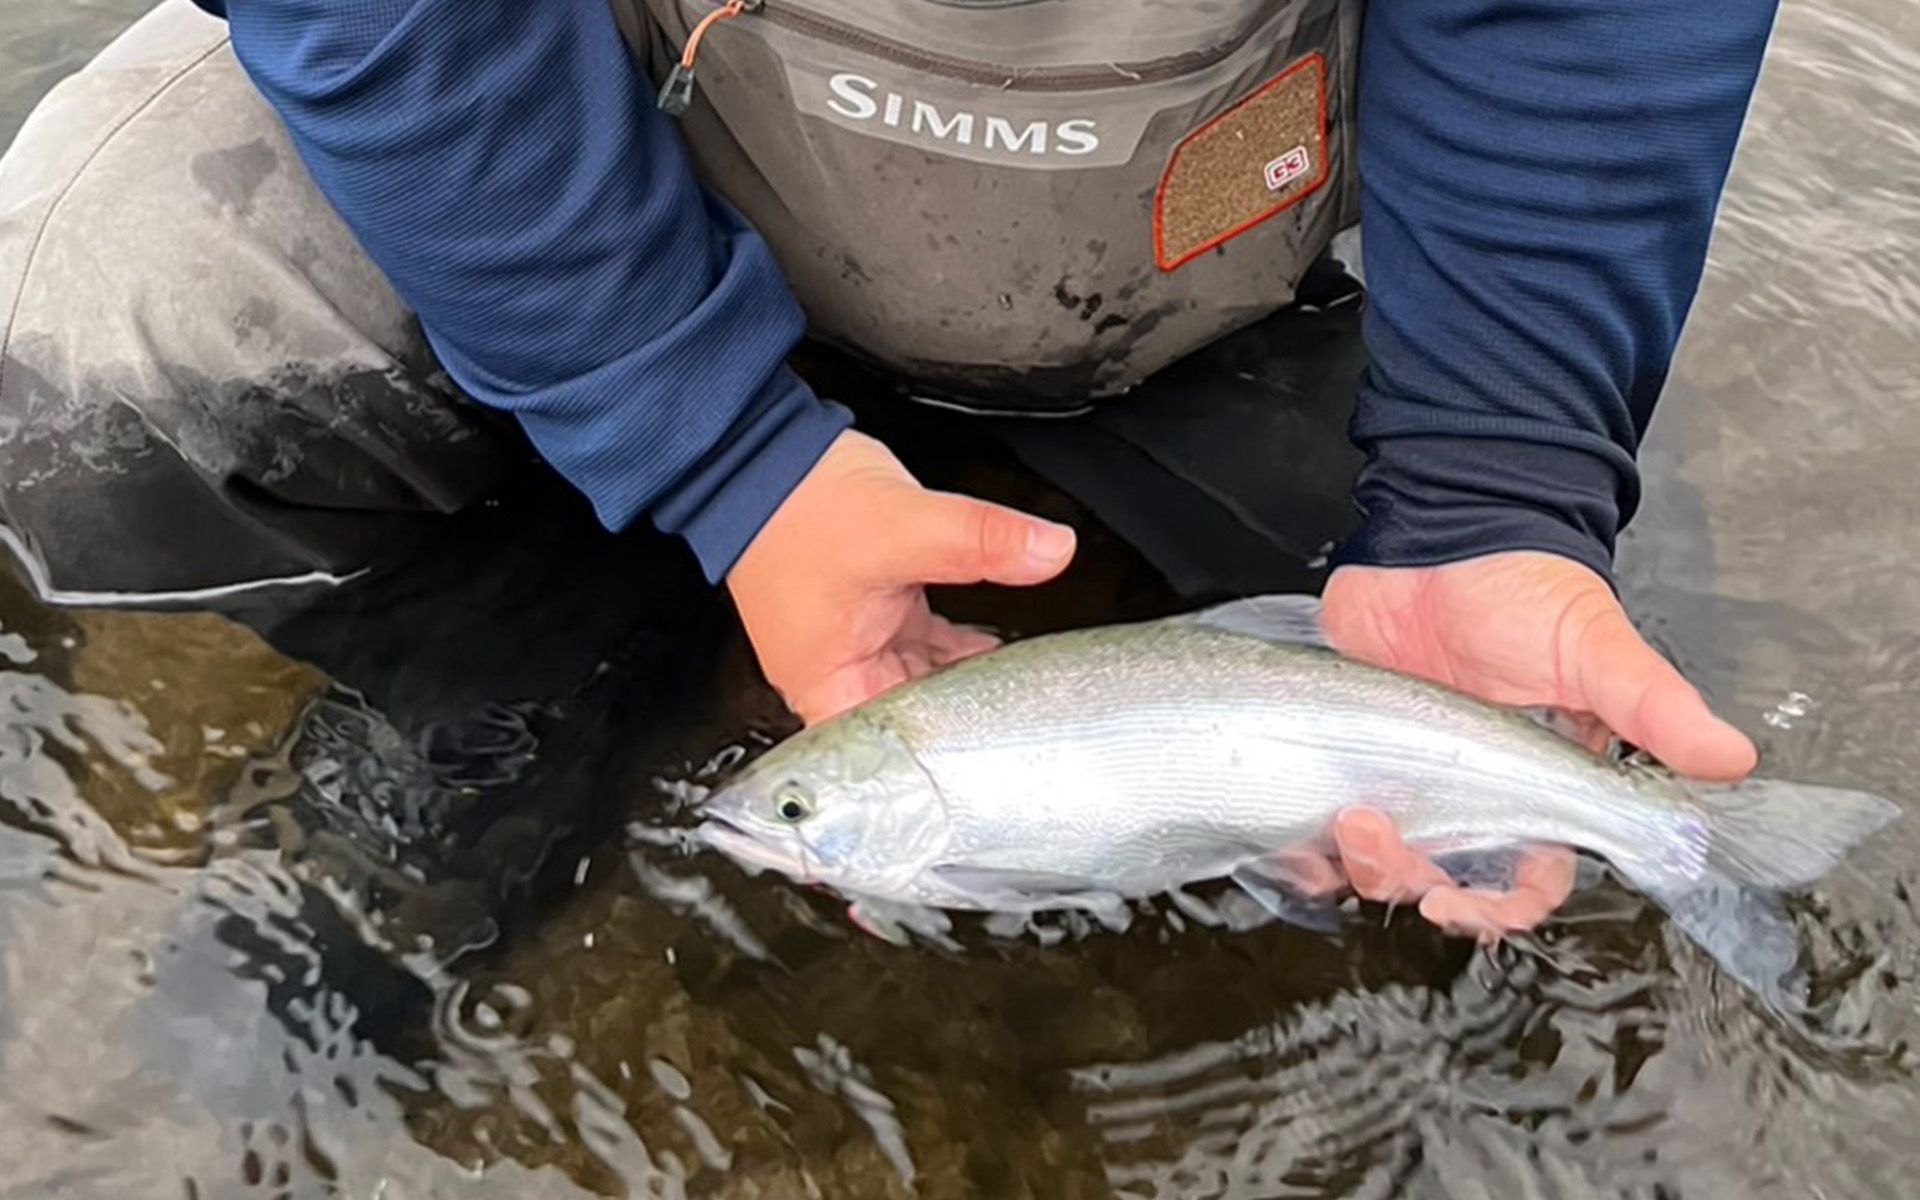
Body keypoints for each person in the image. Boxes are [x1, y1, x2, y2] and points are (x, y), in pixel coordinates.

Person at [0, 0, 1772, 938]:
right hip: (610, 115)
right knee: (111, 329)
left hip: (1187, 255)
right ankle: (508, 683)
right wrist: (714, 453)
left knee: (1501, 639)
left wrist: (1492, 480)